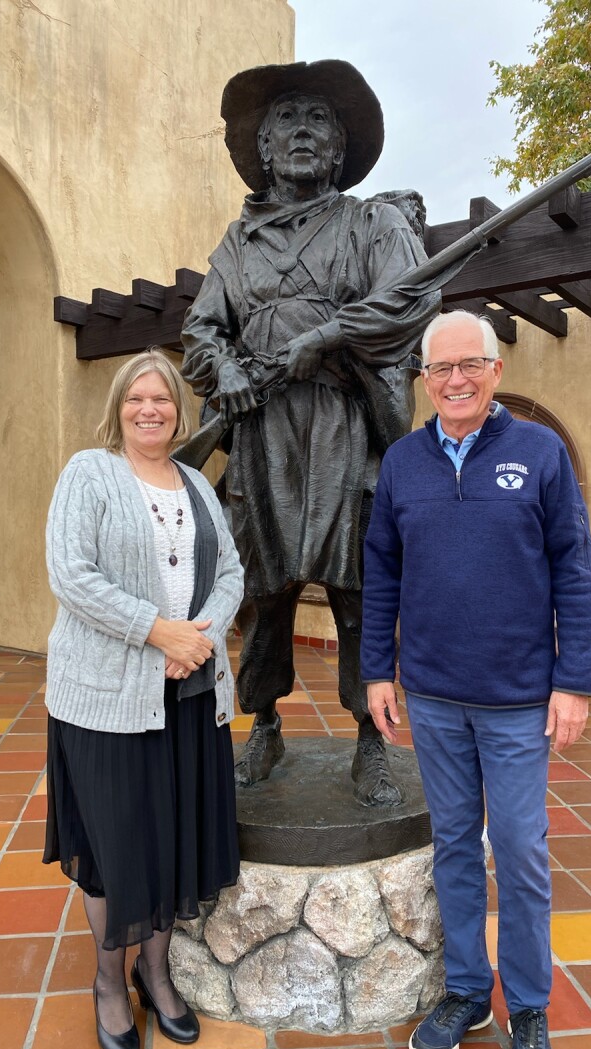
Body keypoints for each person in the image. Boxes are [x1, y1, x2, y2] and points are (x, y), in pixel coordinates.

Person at [181, 60, 440, 806]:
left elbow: (407, 301)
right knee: (264, 590)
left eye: (318, 121)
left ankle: (369, 737)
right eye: (285, 122)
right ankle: (263, 722)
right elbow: (199, 331)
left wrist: (327, 337)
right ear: (264, 149)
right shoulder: (237, 246)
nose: (301, 132)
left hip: (344, 427)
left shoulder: (372, 224)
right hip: (261, 432)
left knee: (359, 588)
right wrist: (224, 367)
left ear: (338, 147)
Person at [361, 310, 591, 1049]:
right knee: (456, 847)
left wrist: (574, 680)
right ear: (424, 380)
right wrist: (375, 669)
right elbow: (382, 574)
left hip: (521, 700)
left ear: (496, 370)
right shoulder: (402, 462)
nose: (455, 380)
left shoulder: (539, 452)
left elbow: (573, 566)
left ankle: (528, 1006)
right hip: (432, 696)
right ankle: (467, 988)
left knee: (522, 852)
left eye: (470, 365)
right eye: (440, 370)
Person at [43, 348, 244, 1049]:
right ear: (119, 408)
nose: (150, 410)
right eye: (137, 400)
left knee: (170, 841)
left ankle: (157, 975)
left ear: (177, 411)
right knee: (115, 850)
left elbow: (230, 571)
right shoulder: (87, 473)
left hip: (188, 696)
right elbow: (72, 574)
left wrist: (199, 638)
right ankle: (108, 981)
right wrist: (156, 630)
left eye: (161, 400)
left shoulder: (194, 480)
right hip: (105, 701)